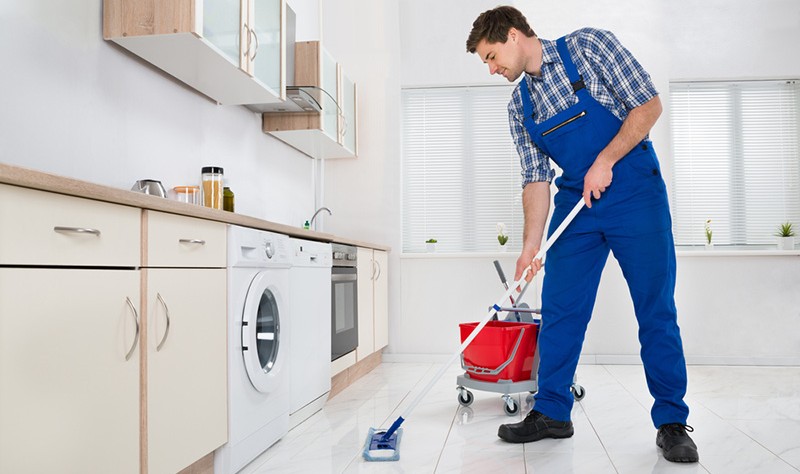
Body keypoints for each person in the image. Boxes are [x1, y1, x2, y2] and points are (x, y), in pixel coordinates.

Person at [466, 6, 698, 463]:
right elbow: (535, 179)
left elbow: (648, 104)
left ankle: (671, 421)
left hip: (635, 191)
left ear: (514, 35)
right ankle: (552, 411)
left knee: (655, 309)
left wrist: (606, 159)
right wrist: (530, 248)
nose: (492, 69)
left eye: (491, 57)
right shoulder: (520, 106)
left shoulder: (587, 48)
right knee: (561, 310)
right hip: (578, 203)